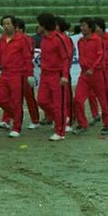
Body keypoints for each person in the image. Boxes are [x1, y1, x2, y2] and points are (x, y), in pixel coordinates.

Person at [0, 16, 34, 138]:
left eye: (8, 24)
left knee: (16, 101)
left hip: (18, 74)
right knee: (0, 99)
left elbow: (27, 58)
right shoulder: (2, 39)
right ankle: (16, 115)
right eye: (4, 24)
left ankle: (17, 126)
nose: (6, 26)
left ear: (14, 26)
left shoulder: (21, 40)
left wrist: (30, 74)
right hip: (5, 74)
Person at [72, 18, 108, 135]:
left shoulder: (98, 40)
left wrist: (92, 68)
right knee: (78, 99)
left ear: (90, 27)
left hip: (97, 73)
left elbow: (100, 55)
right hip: (84, 74)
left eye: (84, 25)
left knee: (103, 101)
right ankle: (83, 124)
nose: (81, 28)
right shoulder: (80, 41)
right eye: (81, 25)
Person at [36, 13, 70, 141]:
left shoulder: (58, 38)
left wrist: (64, 76)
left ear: (44, 25)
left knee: (58, 104)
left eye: (39, 24)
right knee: (42, 100)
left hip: (57, 75)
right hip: (45, 74)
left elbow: (65, 58)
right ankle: (61, 117)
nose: (38, 26)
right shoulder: (44, 38)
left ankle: (60, 132)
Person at [15, 19, 41, 129]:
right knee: (14, 97)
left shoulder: (27, 39)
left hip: (25, 71)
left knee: (29, 97)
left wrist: (29, 73)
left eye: (15, 28)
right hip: (14, 72)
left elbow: (29, 56)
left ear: (21, 29)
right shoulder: (8, 39)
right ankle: (7, 119)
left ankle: (35, 120)